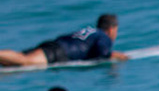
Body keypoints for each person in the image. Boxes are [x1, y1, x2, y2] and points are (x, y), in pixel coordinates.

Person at [0, 14, 128, 69]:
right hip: (60, 52)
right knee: (25, 61)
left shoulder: (91, 32)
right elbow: (103, 52)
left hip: (55, 45)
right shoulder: (104, 36)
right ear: (111, 29)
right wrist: (117, 56)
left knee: (13, 63)